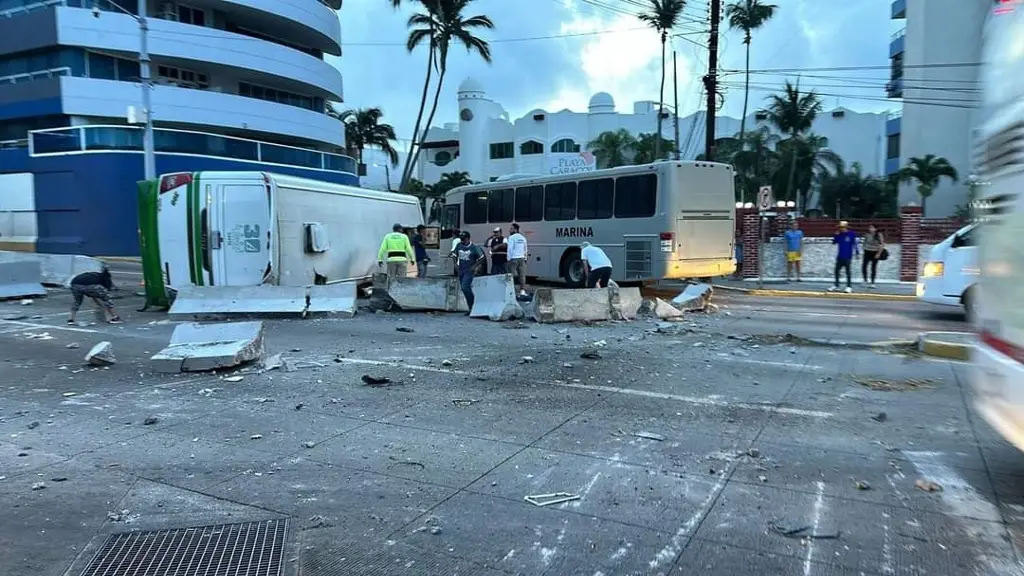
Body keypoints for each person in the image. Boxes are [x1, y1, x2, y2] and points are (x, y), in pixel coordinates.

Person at [451, 231, 485, 311]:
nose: (463, 241)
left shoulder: (474, 247)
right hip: (461, 270)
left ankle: (473, 305)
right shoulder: (459, 245)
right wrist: (455, 264)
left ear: (468, 239)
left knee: (465, 287)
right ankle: (470, 308)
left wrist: (474, 266)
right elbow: (454, 255)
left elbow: (482, 257)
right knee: (464, 289)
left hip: (469, 271)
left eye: (464, 239)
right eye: (461, 239)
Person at [829, 221, 858, 293]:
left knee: (848, 272)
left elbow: (855, 244)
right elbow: (834, 242)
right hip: (840, 255)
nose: (841, 229)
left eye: (842, 227)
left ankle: (849, 286)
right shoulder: (839, 234)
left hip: (848, 256)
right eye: (840, 227)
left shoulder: (851, 234)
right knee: (836, 271)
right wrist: (835, 235)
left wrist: (857, 253)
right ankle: (836, 285)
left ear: (846, 227)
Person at [506, 223, 529, 297]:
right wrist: (525, 258)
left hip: (513, 259)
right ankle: (522, 291)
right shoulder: (523, 238)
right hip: (522, 258)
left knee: (511, 275)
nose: (510, 230)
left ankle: (512, 291)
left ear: (515, 229)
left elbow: (510, 249)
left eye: (511, 228)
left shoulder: (511, 237)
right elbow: (525, 249)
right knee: (522, 275)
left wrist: (508, 259)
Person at [862, 224, 885, 289]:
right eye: (870, 228)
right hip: (867, 251)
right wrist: (864, 248)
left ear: (876, 229)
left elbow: (882, 245)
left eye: (872, 228)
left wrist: (878, 253)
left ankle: (872, 282)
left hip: (875, 252)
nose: (870, 229)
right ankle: (865, 280)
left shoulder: (879, 235)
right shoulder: (867, 234)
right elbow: (864, 242)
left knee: (873, 267)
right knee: (864, 266)